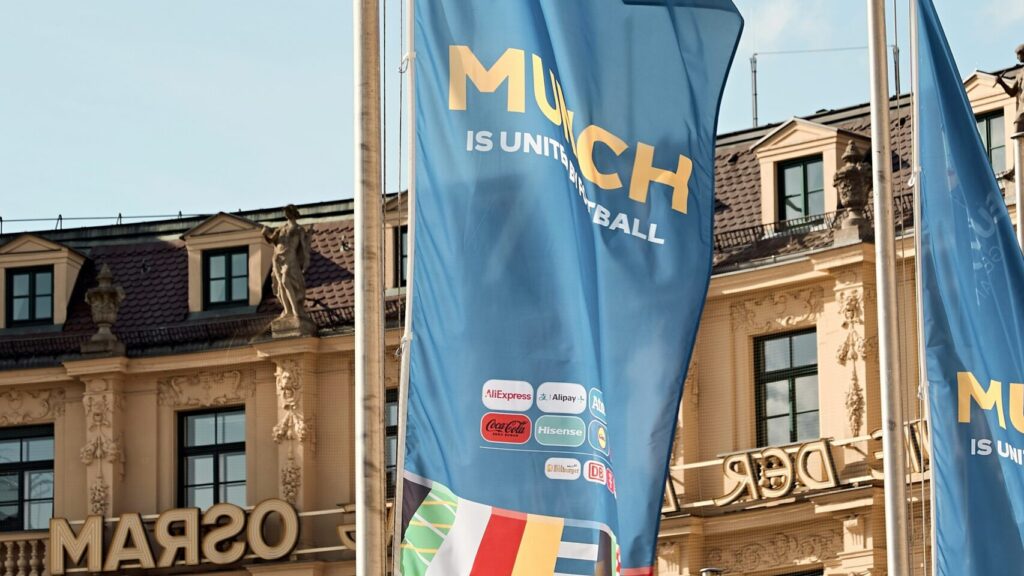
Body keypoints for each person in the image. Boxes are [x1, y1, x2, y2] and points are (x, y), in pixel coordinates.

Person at [263, 205, 311, 321]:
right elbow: (271, 240)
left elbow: (305, 247)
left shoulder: (299, 229)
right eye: (284, 211)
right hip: (277, 258)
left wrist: (306, 260)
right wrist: (265, 233)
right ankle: (287, 310)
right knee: (280, 286)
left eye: (287, 211)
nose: (285, 213)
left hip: (290, 257)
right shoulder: (281, 228)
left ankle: (296, 311)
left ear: (293, 213)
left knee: (286, 281)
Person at [996, 44, 1024, 135]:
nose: (1017, 57)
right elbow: (1012, 92)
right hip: (1022, 110)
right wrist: (1001, 82)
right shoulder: (1020, 73)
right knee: (1017, 132)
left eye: (1019, 54)